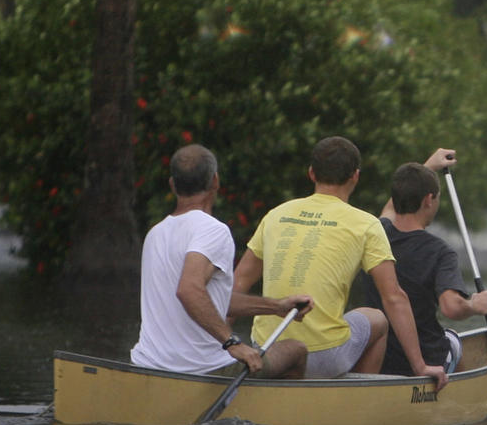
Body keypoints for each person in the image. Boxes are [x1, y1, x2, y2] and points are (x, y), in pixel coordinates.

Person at [233, 136, 448, 389]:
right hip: (323, 359)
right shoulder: (366, 224)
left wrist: (225, 345)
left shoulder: (275, 215)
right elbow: (394, 297)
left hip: (266, 351)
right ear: (355, 177)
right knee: (377, 318)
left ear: (311, 173)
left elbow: (237, 283)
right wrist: (420, 366)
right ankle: (357, 396)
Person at [131, 144, 312, 378]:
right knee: (296, 350)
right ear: (215, 181)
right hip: (204, 369)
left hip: (146, 364)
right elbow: (189, 291)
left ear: (172, 185)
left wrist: (277, 307)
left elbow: (208, 300)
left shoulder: (155, 233)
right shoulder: (214, 230)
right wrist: (232, 343)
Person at [358, 152, 487, 377]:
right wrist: (474, 304)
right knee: (453, 341)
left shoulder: (377, 233)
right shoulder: (440, 252)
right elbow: (451, 308)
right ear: (429, 200)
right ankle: (455, 393)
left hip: (378, 355)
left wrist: (428, 167)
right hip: (424, 360)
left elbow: (390, 209)